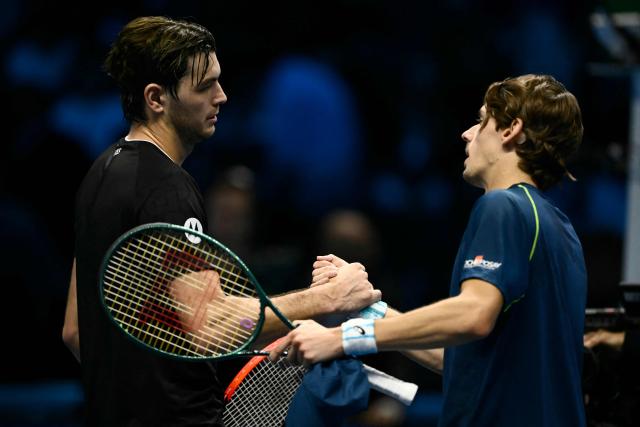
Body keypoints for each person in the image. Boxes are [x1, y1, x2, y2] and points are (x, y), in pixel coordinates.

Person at [61, 16, 380, 426]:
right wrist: (327, 299)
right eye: (204, 86)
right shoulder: (168, 186)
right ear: (156, 98)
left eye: (219, 80)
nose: (222, 96)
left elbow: (74, 330)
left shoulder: (100, 172)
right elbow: (210, 326)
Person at [271, 74, 587, 426]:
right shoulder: (561, 228)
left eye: (483, 120)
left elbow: (473, 314)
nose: (467, 134)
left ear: (511, 130)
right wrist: (366, 310)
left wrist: (341, 338)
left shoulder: (502, 207)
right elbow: (464, 362)